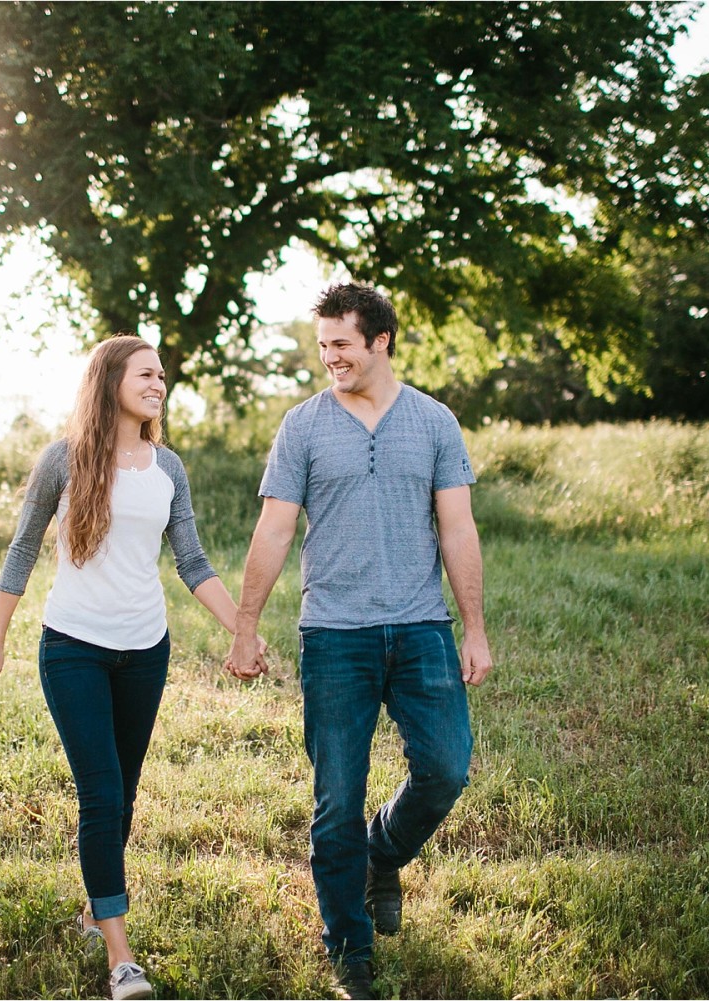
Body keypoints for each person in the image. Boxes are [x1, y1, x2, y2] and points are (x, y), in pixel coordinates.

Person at [0, 333, 263, 1001]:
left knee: (122, 796)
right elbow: (20, 553)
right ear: (110, 381)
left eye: (162, 374)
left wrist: (243, 628)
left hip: (145, 649)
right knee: (101, 793)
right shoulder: (63, 460)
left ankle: (94, 907)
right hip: (72, 646)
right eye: (146, 373)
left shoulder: (169, 467)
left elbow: (193, 562)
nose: (158, 382)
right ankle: (121, 958)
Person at [225, 282, 493, 1001]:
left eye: (341, 344)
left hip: (420, 625)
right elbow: (275, 529)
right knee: (335, 799)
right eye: (322, 347)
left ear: (380, 342)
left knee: (446, 768)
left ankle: (382, 855)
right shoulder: (303, 426)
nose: (330, 358)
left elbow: (458, 528)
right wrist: (246, 625)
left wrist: (473, 627)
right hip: (334, 633)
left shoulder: (435, 422)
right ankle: (351, 948)